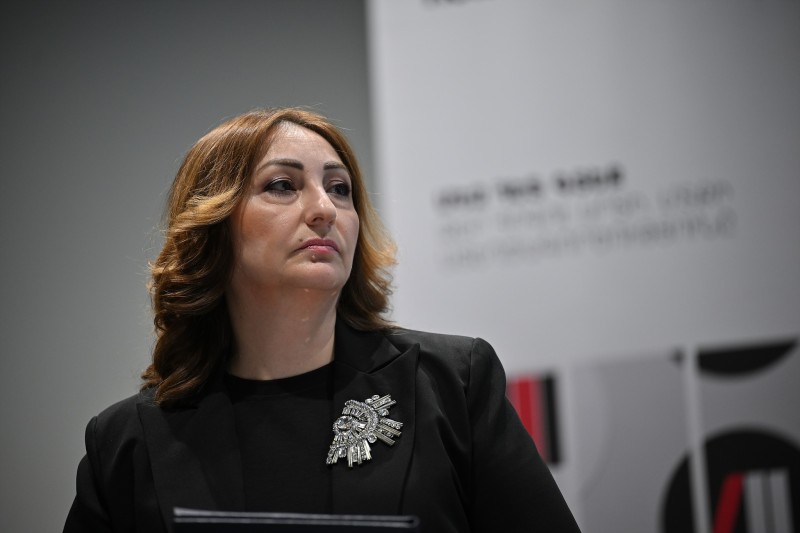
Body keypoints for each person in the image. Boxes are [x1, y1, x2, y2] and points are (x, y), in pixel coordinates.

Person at [63, 108, 581, 533]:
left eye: (339, 189)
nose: (324, 208)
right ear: (213, 226)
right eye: (282, 185)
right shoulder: (127, 440)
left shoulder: (452, 383)